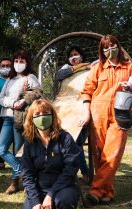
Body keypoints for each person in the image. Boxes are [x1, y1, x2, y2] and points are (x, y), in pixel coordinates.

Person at [79, 35, 132, 205]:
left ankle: (95, 191)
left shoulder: (131, 68)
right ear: (102, 51)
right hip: (97, 113)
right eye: (106, 48)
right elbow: (87, 91)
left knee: (113, 153)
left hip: (120, 115)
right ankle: (107, 191)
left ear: (119, 46)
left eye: (113, 46)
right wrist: (87, 113)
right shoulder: (98, 68)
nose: (110, 50)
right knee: (98, 153)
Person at [17, 99, 80, 209]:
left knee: (63, 201)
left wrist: (50, 195)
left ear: (52, 115)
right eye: (37, 114)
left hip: (63, 188)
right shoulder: (29, 142)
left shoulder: (65, 138)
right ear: (32, 119)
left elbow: (70, 170)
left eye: (45, 113)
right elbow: (27, 175)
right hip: (40, 189)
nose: (42, 117)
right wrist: (35, 202)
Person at [0, 49, 41, 194]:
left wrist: (23, 101)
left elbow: (38, 93)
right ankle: (20, 170)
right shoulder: (10, 79)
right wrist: (12, 102)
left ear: (27, 63)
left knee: (18, 152)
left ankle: (15, 183)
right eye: (16, 61)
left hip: (21, 118)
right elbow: (1, 98)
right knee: (0, 149)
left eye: (21, 61)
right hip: (8, 117)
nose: (18, 64)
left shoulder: (30, 77)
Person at [55, 45, 90, 183]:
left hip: (82, 109)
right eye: (71, 55)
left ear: (82, 55)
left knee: (76, 142)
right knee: (68, 141)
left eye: (76, 54)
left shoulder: (90, 70)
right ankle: (74, 172)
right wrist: (77, 67)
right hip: (63, 109)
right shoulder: (65, 69)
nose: (73, 57)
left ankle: (84, 172)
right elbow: (59, 76)